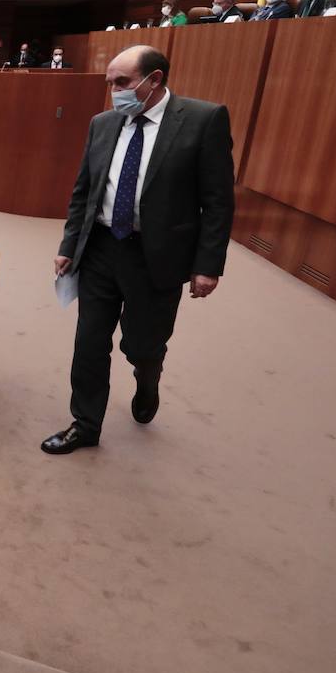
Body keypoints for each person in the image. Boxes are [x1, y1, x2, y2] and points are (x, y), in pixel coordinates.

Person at [43, 45, 234, 455]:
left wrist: (208, 265)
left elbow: (218, 201)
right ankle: (85, 424)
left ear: (155, 80)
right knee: (90, 342)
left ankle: (148, 378)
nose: (114, 91)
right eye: (110, 82)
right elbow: (84, 192)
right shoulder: (103, 123)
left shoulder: (203, 120)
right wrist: (68, 245)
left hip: (156, 256)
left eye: (123, 83)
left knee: (141, 345)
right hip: (100, 249)